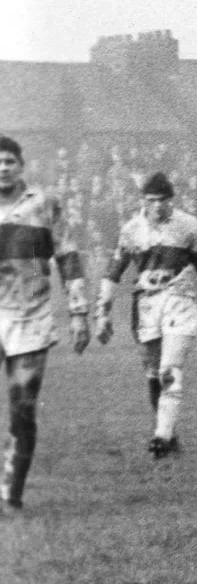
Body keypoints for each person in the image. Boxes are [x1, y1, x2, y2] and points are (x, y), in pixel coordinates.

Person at [95, 172, 197, 458]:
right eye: (151, 200)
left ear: (171, 200)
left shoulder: (189, 226)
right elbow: (113, 272)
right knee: (153, 375)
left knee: (169, 369)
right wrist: (102, 313)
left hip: (180, 299)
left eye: (163, 200)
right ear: (142, 200)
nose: (157, 206)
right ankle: (168, 433)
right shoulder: (131, 230)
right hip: (146, 305)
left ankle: (161, 437)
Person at [0, 136, 90, 511]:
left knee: (22, 409)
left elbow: (67, 255)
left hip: (30, 317)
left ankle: (11, 492)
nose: (3, 168)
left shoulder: (43, 204)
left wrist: (79, 312)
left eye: (9, 161)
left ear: (21, 165)